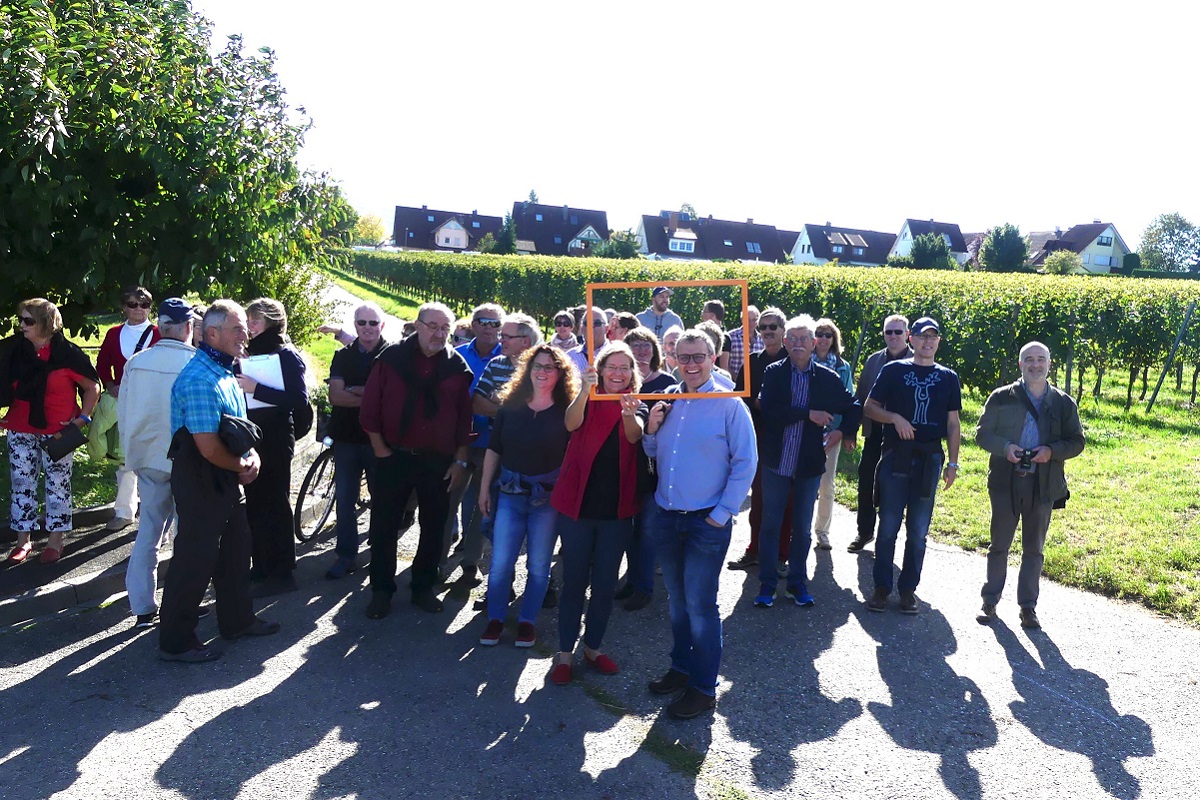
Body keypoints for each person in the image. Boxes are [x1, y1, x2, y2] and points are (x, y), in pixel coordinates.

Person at [643, 330, 757, 719]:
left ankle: (704, 687)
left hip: (706, 521)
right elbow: (653, 452)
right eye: (684, 357)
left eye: (698, 357)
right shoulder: (669, 399)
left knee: (700, 605)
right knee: (677, 602)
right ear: (673, 359)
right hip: (667, 515)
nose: (691, 365)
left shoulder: (729, 404)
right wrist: (651, 429)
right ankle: (681, 667)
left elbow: (746, 462)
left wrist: (721, 514)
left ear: (712, 358)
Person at [159, 300, 278, 663]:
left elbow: (238, 429)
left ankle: (237, 621)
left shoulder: (224, 370)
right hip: (201, 477)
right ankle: (176, 642)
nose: (246, 335)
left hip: (223, 473)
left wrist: (252, 456)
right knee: (194, 560)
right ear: (212, 333)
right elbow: (209, 448)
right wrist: (241, 466)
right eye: (238, 328)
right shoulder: (200, 379)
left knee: (236, 550)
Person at [359, 302, 473, 618]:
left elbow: (464, 418)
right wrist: (380, 450)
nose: (439, 334)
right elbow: (370, 408)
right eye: (433, 326)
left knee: (434, 526)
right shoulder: (391, 359)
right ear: (418, 325)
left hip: (439, 461)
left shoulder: (456, 366)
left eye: (445, 328)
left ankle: (423, 587)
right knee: (384, 526)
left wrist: (460, 461)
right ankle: (381, 590)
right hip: (393, 455)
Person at [549, 342, 647, 686]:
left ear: (632, 373)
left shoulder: (636, 402)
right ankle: (564, 654)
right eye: (612, 367)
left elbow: (634, 436)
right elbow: (570, 423)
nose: (618, 373)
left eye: (624, 368)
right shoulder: (587, 396)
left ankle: (592, 648)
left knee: (605, 585)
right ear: (600, 370)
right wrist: (584, 390)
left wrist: (628, 414)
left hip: (616, 512)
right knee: (574, 581)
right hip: (577, 507)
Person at [975, 342, 1084, 629]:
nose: (1035, 365)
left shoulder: (1063, 403)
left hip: (1042, 485)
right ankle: (989, 601)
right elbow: (982, 434)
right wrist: (1005, 447)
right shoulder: (1002, 396)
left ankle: (1028, 608)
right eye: (1029, 360)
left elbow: (1077, 442)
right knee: (999, 545)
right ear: (1020, 364)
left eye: (1040, 359)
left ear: (1049, 364)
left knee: (1034, 549)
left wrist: (1051, 451)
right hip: (1005, 483)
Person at [753, 315, 860, 608]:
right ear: (785, 342)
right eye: (793, 339)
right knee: (770, 525)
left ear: (813, 343)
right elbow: (769, 410)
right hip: (776, 462)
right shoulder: (774, 373)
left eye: (804, 339)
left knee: (801, 528)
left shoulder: (827, 378)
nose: (798, 344)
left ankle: (797, 583)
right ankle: (767, 584)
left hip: (808, 464)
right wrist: (807, 414)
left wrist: (842, 431)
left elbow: (854, 406)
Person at [477, 344, 576, 648]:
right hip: (509, 494)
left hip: (547, 501)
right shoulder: (510, 406)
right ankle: (495, 618)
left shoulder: (568, 413)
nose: (542, 372)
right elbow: (494, 449)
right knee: (500, 564)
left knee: (539, 566)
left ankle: (527, 622)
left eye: (549, 367)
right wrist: (484, 489)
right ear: (528, 370)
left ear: (560, 374)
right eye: (537, 366)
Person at [863, 317, 961, 614]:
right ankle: (881, 588)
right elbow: (870, 407)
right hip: (897, 456)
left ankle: (907, 590)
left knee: (918, 531)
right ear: (911, 339)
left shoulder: (948, 377)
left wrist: (952, 463)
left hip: (930, 459)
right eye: (922, 336)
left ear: (938, 341)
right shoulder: (894, 370)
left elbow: (953, 424)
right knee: (888, 527)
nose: (927, 342)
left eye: (933, 337)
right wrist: (895, 418)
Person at [1, 299, 100, 564]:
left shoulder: (68, 354)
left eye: (28, 321)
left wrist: (82, 419)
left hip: (58, 430)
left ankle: (56, 541)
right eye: (21, 320)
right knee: (22, 484)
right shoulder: (14, 351)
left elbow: (92, 387)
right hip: (20, 427)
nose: (22, 325)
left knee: (58, 484)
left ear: (45, 323)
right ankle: (23, 541)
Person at [119, 298, 197, 628]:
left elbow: (124, 413)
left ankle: (143, 606)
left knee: (148, 532)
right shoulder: (196, 363)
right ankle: (181, 602)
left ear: (160, 327)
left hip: (148, 457)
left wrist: (131, 454)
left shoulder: (137, 362)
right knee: (186, 534)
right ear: (188, 327)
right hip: (188, 459)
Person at [238, 298, 309, 597]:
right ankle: (261, 566)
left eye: (254, 321)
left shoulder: (286, 354)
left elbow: (299, 399)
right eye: (248, 321)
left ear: (271, 323)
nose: (249, 327)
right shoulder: (250, 352)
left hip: (277, 438)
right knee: (255, 502)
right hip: (254, 436)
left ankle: (282, 572)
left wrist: (257, 389)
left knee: (275, 504)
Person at [324, 302, 388, 580]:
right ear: (355, 325)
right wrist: (372, 396)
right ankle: (346, 555)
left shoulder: (392, 355)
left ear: (382, 325)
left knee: (382, 500)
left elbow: (390, 398)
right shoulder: (343, 355)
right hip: (346, 437)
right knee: (345, 500)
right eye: (362, 323)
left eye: (373, 323)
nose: (367, 328)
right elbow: (335, 397)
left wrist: (354, 390)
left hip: (380, 441)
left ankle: (379, 553)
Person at [614, 328, 676, 611]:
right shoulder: (621, 382)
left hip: (656, 465)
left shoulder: (667, 383)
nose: (640, 351)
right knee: (630, 528)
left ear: (655, 350)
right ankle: (632, 580)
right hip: (626, 463)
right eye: (634, 346)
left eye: (645, 345)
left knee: (649, 529)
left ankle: (644, 587)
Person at [445, 303, 505, 586]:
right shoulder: (456, 355)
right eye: (483, 321)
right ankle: (436, 559)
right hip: (458, 441)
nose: (488, 328)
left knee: (481, 506)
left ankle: (470, 563)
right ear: (473, 324)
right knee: (447, 501)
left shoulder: (508, 358)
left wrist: (480, 405)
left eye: (495, 323)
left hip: (491, 444)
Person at [93, 286, 162, 532]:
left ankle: (154, 516)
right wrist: (110, 385)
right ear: (124, 307)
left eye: (144, 304)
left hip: (153, 404)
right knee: (125, 457)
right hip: (123, 402)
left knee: (153, 458)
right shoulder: (114, 333)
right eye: (133, 304)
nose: (139, 309)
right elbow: (102, 365)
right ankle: (124, 512)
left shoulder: (159, 333)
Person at [728, 307, 790, 572]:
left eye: (772, 327)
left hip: (788, 438)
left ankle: (781, 556)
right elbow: (740, 401)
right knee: (759, 499)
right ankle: (754, 550)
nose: (767, 331)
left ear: (783, 330)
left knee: (786, 501)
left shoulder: (794, 361)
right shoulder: (751, 362)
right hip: (757, 436)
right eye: (763, 327)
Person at [847, 315, 912, 554]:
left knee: (891, 487)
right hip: (874, 432)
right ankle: (864, 531)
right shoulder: (873, 361)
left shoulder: (917, 361)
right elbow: (861, 397)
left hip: (902, 437)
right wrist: (851, 431)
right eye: (888, 332)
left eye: (898, 332)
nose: (893, 336)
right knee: (866, 480)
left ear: (907, 335)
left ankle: (886, 538)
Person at [811, 317, 855, 551]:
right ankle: (797, 529)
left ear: (834, 339)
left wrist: (844, 432)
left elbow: (850, 401)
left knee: (826, 484)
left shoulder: (842, 366)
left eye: (828, 335)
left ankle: (822, 531)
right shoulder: (803, 362)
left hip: (832, 432)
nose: (823, 339)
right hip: (806, 429)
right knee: (802, 484)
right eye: (819, 334)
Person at [567, 306, 611, 375]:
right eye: (587, 323)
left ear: (607, 328)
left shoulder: (617, 354)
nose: (592, 327)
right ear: (581, 329)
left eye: (597, 323)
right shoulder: (569, 357)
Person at [726, 304, 763, 382]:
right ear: (742, 319)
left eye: (754, 320)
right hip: (734, 383)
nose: (751, 323)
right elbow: (725, 364)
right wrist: (736, 379)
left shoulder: (762, 339)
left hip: (756, 383)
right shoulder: (731, 337)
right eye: (747, 319)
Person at [699, 300, 733, 371]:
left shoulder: (724, 337)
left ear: (712, 315)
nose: (702, 315)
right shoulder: (701, 332)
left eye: (704, 311)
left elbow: (724, 367)